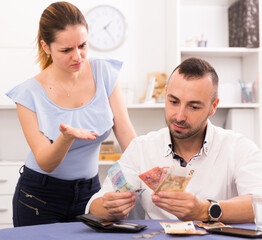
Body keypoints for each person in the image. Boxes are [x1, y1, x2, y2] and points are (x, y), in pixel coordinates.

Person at [6, 1, 136, 227]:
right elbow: (46, 162)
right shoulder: (28, 94)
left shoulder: (104, 72)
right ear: (46, 47)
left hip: (90, 193)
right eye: (66, 50)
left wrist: (150, 172)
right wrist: (66, 138)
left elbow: (125, 132)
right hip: (39, 197)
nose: (78, 56)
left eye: (83, 45)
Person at [87, 57, 262, 224]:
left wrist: (204, 210)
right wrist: (109, 207)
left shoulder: (238, 148)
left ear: (213, 107)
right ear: (166, 94)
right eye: (173, 101)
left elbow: (259, 205)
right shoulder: (141, 148)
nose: (179, 116)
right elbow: (95, 206)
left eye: (193, 107)